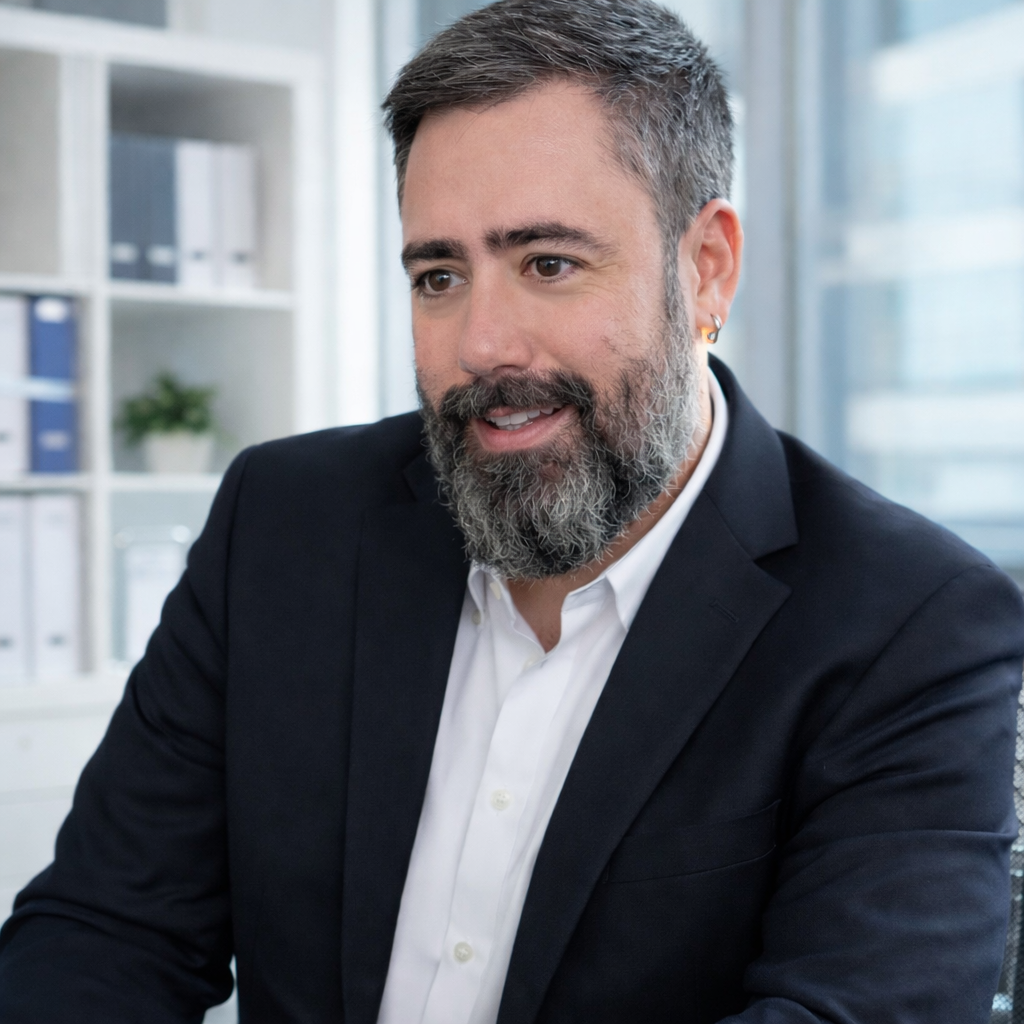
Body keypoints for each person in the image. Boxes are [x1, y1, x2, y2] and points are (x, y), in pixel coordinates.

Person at [2, 1, 1023, 1021]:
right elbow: (108, 928)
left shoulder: (912, 623)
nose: (480, 344)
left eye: (548, 264)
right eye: (439, 275)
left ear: (706, 267)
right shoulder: (282, 522)